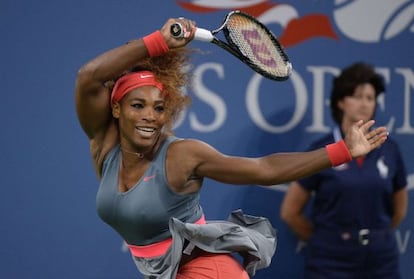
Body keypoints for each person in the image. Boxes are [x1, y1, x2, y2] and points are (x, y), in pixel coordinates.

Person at [74, 16, 388, 279]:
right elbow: (88, 76)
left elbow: (263, 169)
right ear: (116, 109)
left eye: (158, 108)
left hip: (209, 272)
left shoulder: (182, 155)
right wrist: (157, 41)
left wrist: (341, 151)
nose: (150, 116)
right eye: (138, 105)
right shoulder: (104, 144)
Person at [280, 62, 408, 279]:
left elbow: (399, 211)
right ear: (341, 101)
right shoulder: (322, 149)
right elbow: (290, 213)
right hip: (330, 261)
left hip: (381, 260)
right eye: (357, 96)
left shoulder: (390, 149)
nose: (365, 104)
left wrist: (375, 237)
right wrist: (327, 241)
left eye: (370, 98)